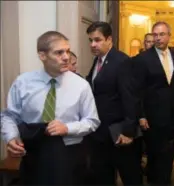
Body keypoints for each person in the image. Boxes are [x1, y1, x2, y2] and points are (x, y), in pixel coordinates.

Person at [0, 31, 100, 185]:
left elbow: (92, 121)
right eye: (59, 52)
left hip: (70, 154)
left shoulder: (81, 85)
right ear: (42, 55)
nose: (66, 57)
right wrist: (11, 137)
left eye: (67, 51)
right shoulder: (23, 83)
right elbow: (9, 116)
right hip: (34, 153)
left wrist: (67, 128)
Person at [132, 21, 174, 185]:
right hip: (152, 115)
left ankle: (165, 180)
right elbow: (137, 90)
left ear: (169, 36)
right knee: (155, 153)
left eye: (162, 34)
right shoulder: (143, 59)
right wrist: (141, 115)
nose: (158, 38)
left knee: (169, 151)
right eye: (155, 35)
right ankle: (155, 180)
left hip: (173, 113)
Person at [85, 21, 142, 185]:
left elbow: (130, 98)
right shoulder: (98, 60)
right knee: (103, 174)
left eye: (97, 40)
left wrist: (128, 132)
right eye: (90, 40)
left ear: (109, 39)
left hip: (119, 132)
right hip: (102, 131)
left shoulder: (121, 61)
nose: (93, 44)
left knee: (129, 175)